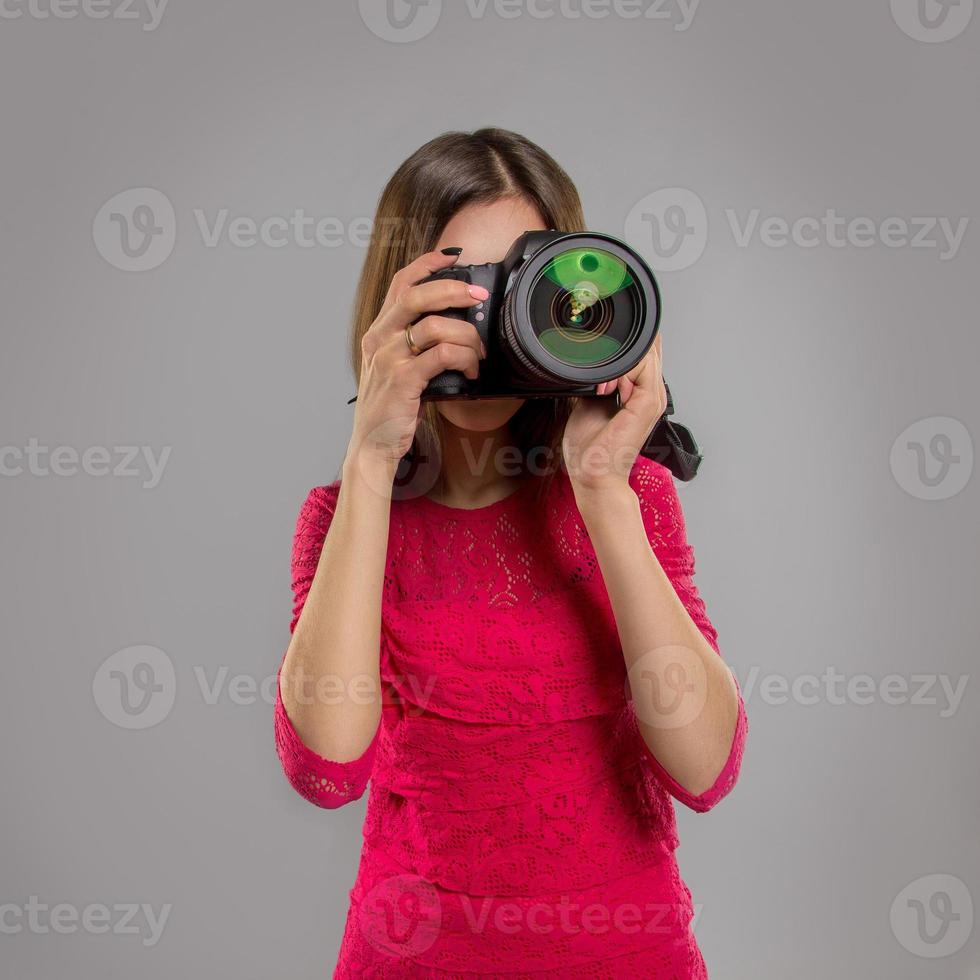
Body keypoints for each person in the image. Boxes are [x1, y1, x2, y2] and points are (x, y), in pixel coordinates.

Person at [274, 127, 747, 978]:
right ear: (393, 308)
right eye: (458, 295)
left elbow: (706, 769)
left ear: (572, 306)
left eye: (513, 295)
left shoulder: (626, 500)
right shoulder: (349, 517)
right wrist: (372, 457)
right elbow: (327, 770)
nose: (483, 335)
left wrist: (603, 487)